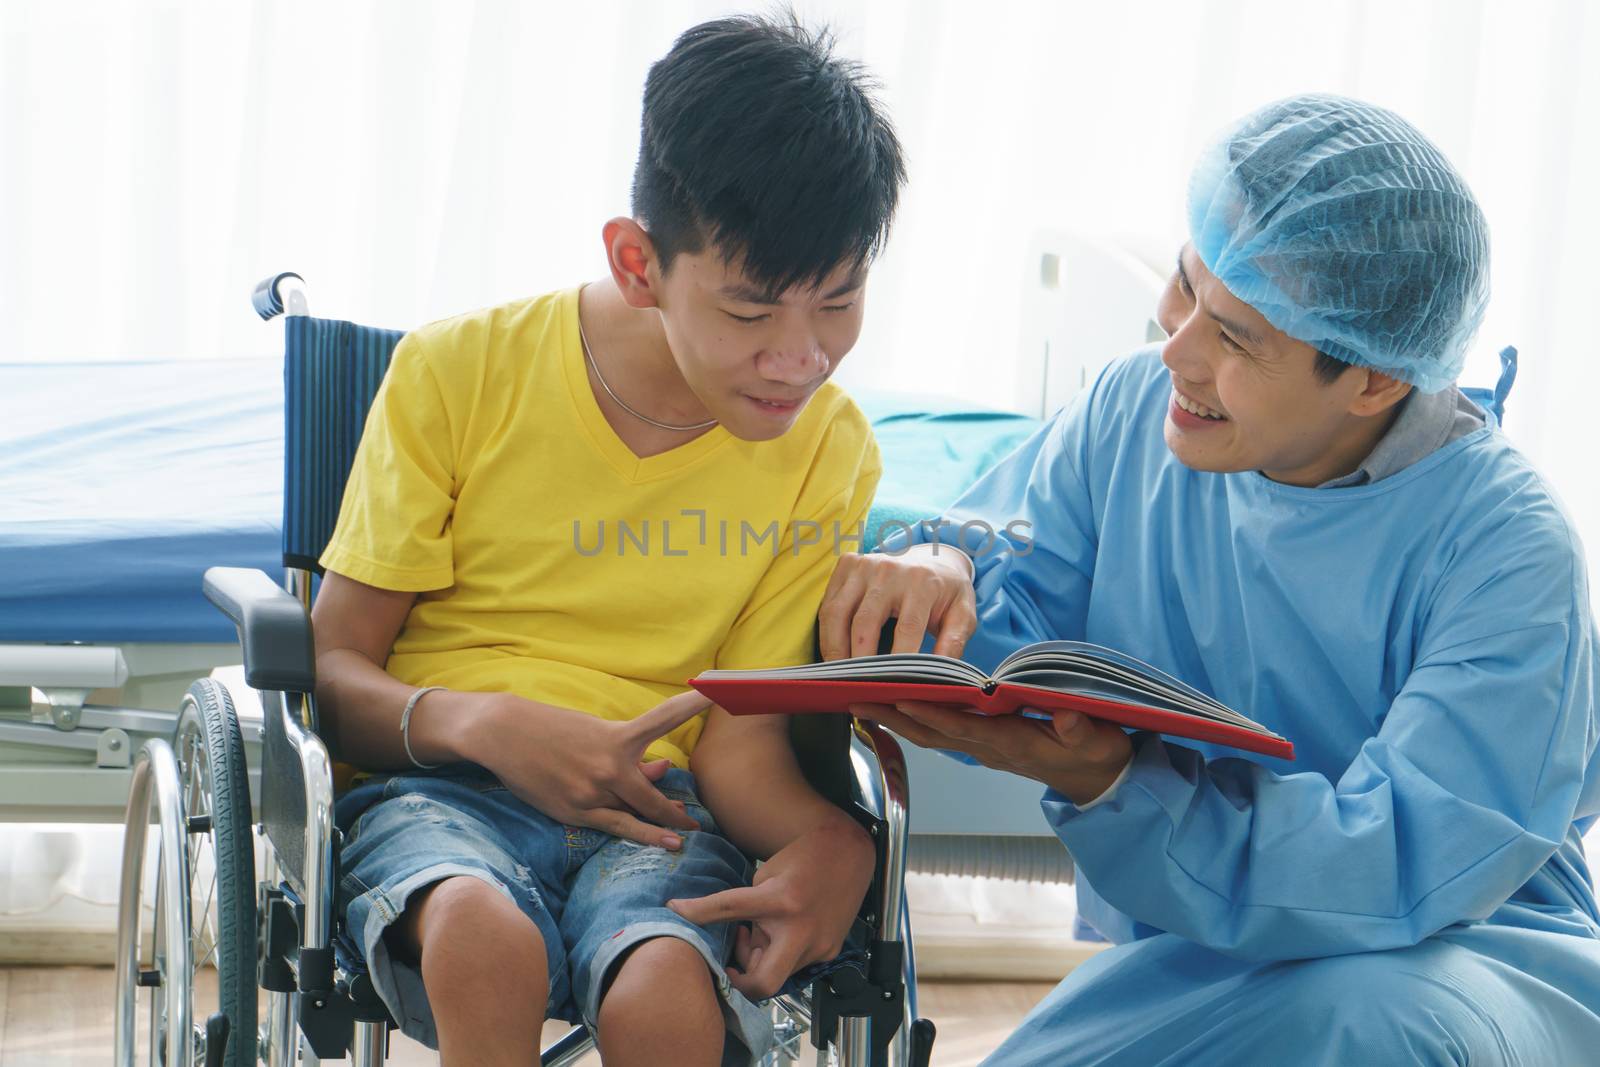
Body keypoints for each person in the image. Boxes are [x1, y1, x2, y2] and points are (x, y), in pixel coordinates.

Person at [820, 94, 1600, 1065]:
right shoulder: (1131, 410)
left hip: (1468, 956)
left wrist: (1115, 783)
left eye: (1233, 338)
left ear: (1372, 381)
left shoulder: (1506, 549)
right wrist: (935, 571)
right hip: (1219, 953)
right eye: (1185, 284)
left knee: (1367, 1025)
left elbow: (1400, 864)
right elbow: (1007, 607)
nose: (1175, 352)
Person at [309, 13, 905, 1066]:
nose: (798, 358)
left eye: (840, 301)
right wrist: (484, 723)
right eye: (751, 310)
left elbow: (738, 732)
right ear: (639, 263)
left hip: (658, 811)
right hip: (442, 788)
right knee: (482, 937)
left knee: (667, 991)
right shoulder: (459, 372)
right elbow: (333, 667)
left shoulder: (828, 449)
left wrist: (827, 834)